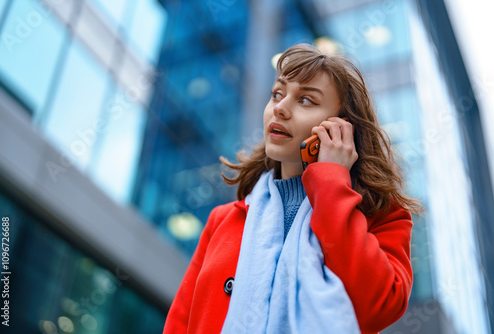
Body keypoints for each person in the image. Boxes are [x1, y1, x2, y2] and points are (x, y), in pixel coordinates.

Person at [163, 43, 422, 334]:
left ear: (341, 128)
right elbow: (179, 324)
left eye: (306, 100)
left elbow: (377, 306)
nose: (280, 108)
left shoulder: (383, 217)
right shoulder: (223, 221)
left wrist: (331, 181)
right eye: (277, 93)